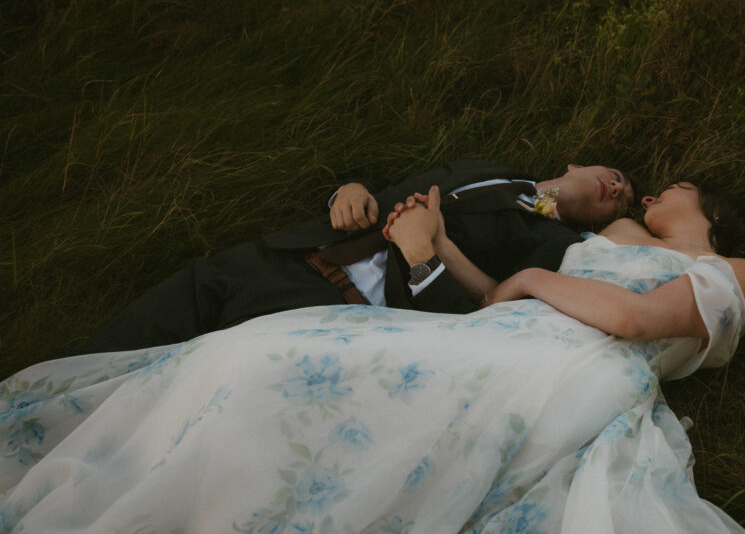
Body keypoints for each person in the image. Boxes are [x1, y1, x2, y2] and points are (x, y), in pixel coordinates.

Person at [0, 178, 745, 534]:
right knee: (260, 356)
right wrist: (443, 242)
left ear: (710, 207)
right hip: (502, 332)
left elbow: (637, 320)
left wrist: (527, 283)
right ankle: (175, 491)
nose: (655, 194)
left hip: (578, 371)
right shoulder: (609, 234)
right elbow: (494, 292)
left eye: (674, 187)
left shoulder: (735, 272)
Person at [67, 159, 634, 355]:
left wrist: (432, 245)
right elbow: (394, 183)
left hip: (331, 310)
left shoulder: (557, 248)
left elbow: (490, 307)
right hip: (284, 255)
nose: (619, 189)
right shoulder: (488, 164)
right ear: (578, 162)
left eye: (624, 199)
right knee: (115, 346)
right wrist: (348, 191)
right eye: (616, 176)